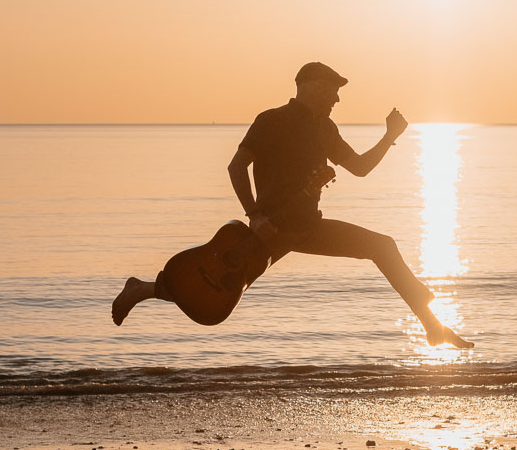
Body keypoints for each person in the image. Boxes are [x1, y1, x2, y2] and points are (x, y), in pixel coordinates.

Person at [111, 62, 473, 349]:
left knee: (382, 247)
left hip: (306, 227)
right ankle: (141, 289)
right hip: (271, 229)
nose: (337, 99)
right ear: (313, 86)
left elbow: (360, 168)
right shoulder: (271, 120)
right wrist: (255, 215)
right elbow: (237, 166)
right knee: (218, 288)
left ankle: (432, 327)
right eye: (333, 90)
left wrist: (390, 137)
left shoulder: (325, 129)